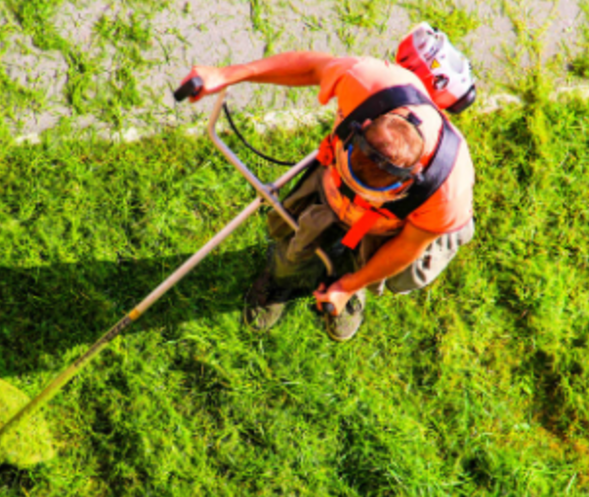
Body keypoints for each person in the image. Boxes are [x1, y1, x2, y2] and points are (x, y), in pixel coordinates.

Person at [180, 51, 475, 341]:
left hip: (387, 228)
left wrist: (349, 286)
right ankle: (282, 279)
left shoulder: (447, 188)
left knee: (367, 267)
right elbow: (311, 67)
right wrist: (229, 73)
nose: (361, 195)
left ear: (413, 176)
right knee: (293, 247)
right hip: (328, 188)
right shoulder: (368, 83)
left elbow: (408, 246)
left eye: (370, 192)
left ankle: (348, 287)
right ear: (365, 127)